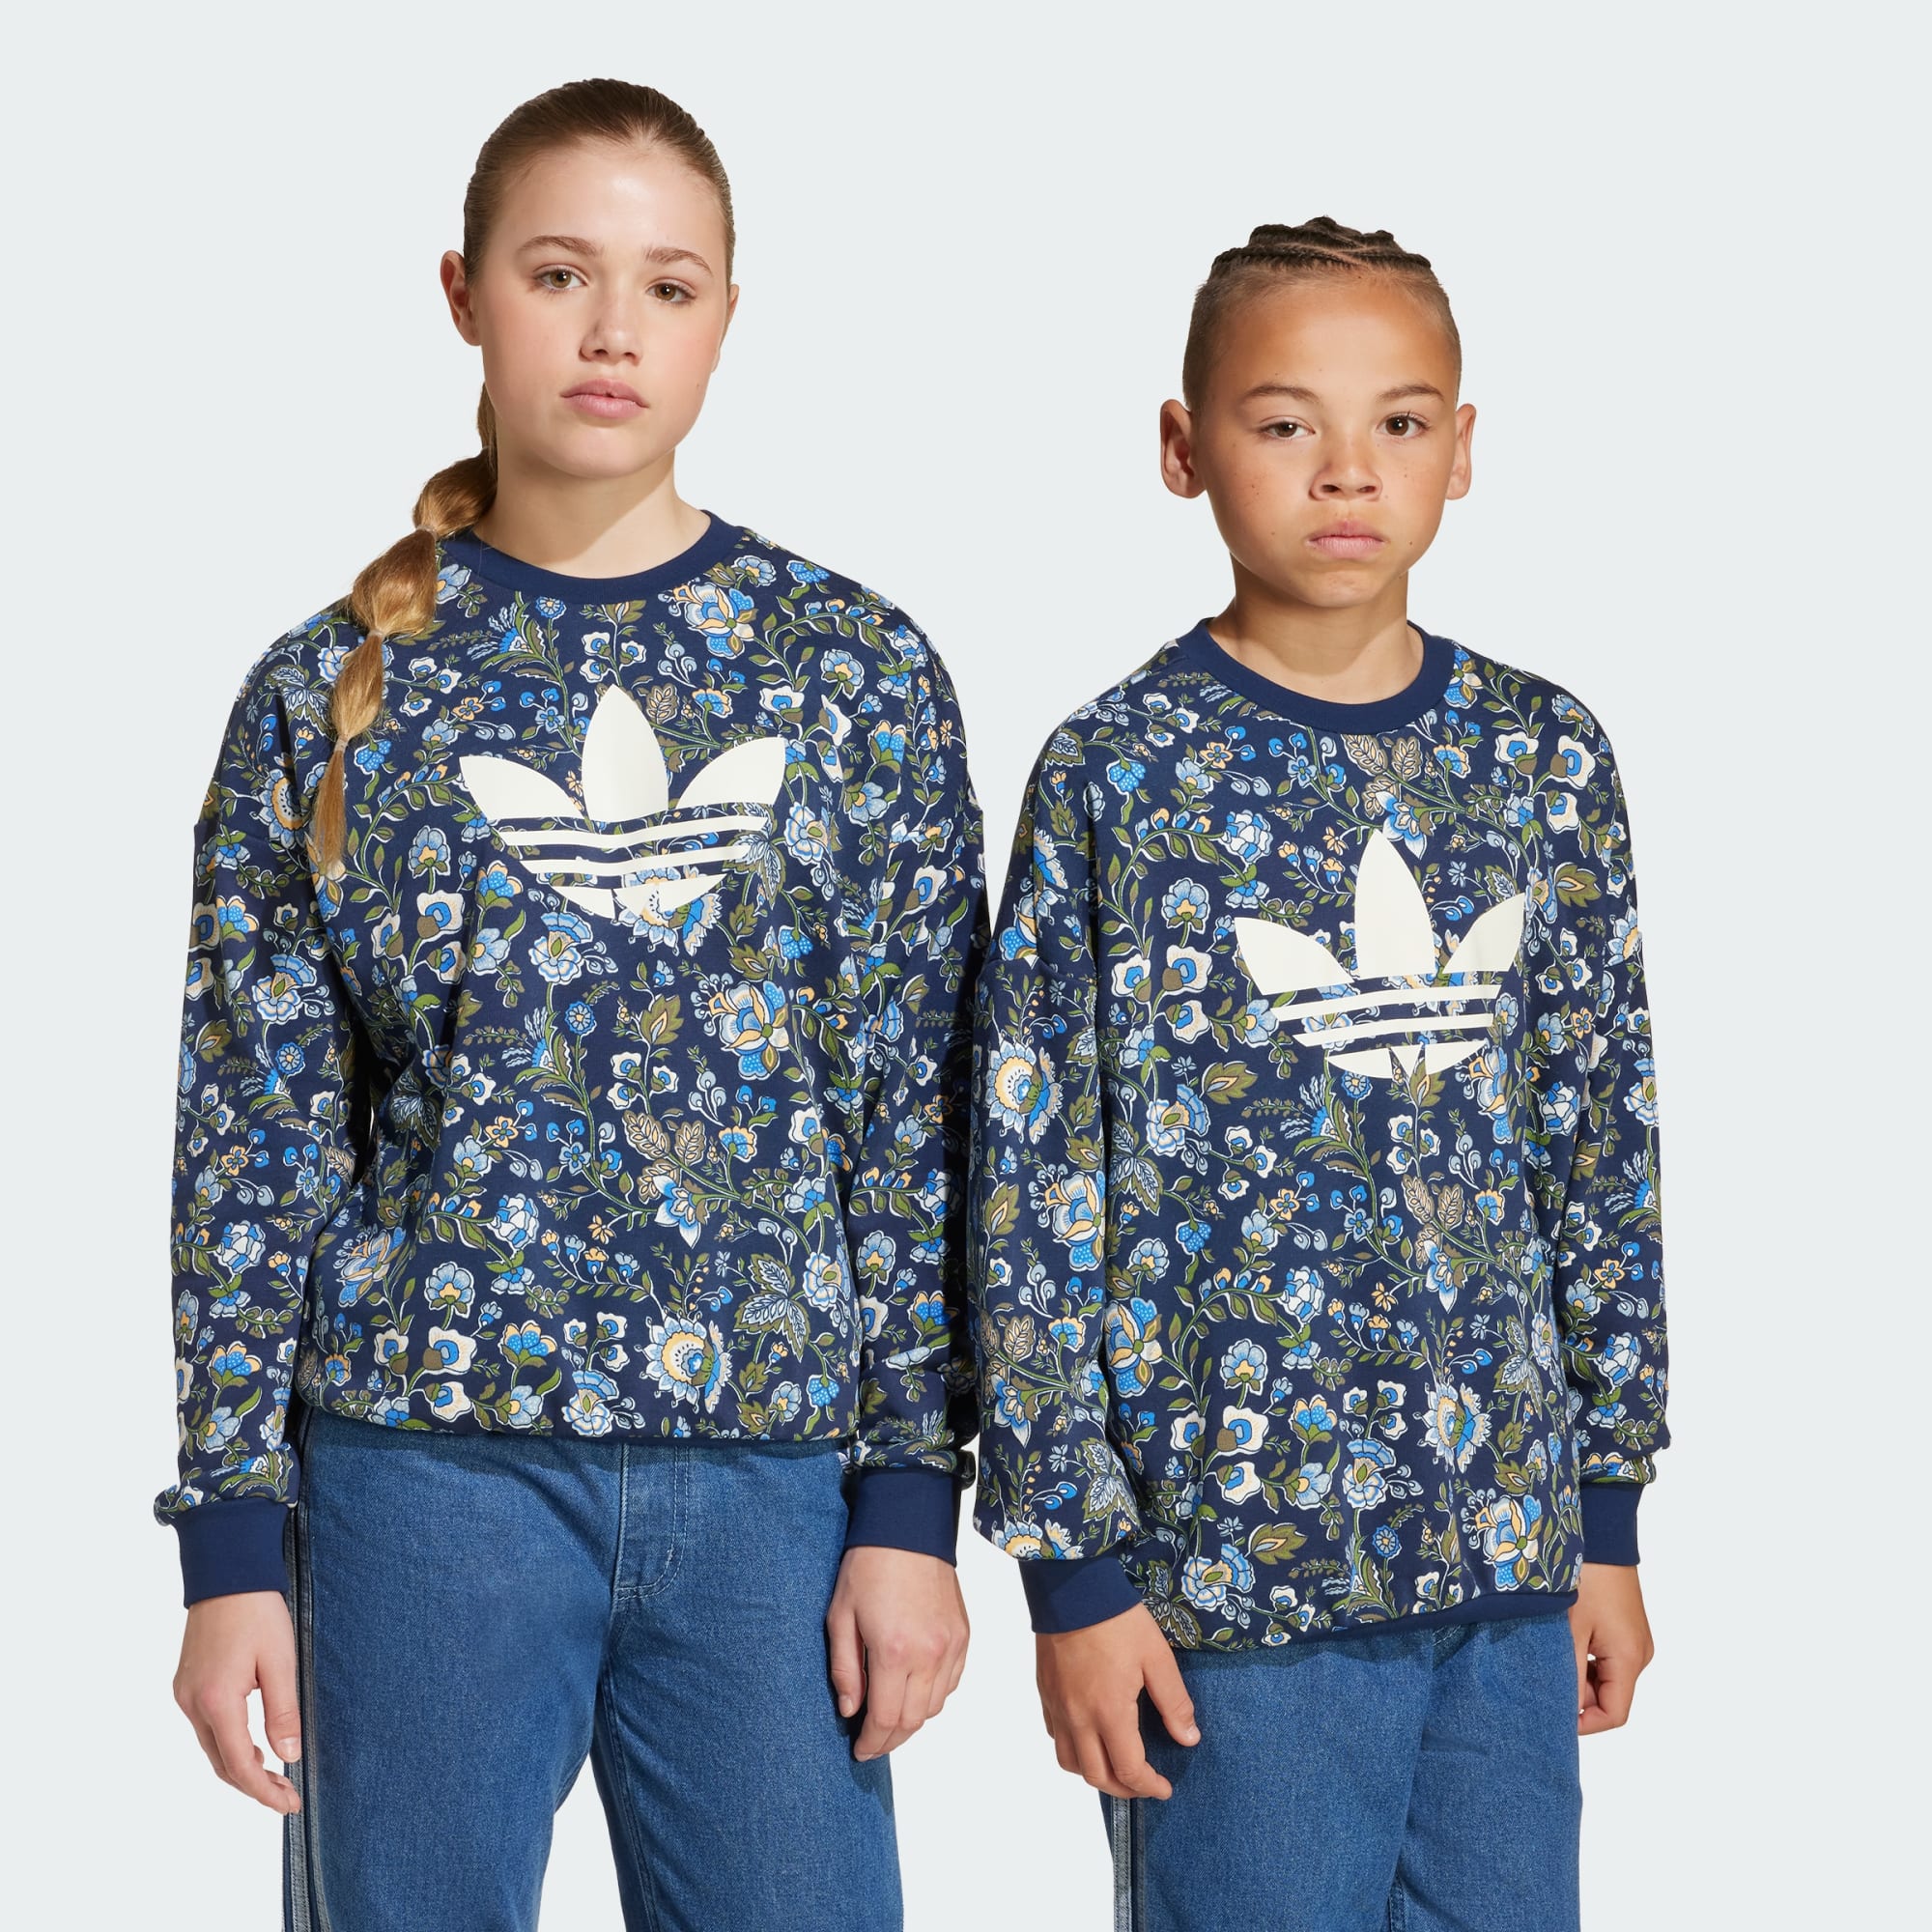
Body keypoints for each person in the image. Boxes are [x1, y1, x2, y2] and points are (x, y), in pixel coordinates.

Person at [156, 77, 986, 1932]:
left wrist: (908, 1509)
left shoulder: (855, 672)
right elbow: (253, 1141)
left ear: (726, 318)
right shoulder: (326, 692)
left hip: (774, 1486)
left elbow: (921, 1125)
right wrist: (229, 1544)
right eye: (560, 275)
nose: (615, 330)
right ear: (465, 294)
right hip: (424, 1480)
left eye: (668, 287)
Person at [968, 217, 1669, 1931]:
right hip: (1228, 1587)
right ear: (1183, 446)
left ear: (1463, 447)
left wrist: (1608, 1519)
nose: (1347, 470)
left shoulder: (1544, 757)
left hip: (1504, 1569)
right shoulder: (1120, 774)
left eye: (1400, 422)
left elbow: (1599, 1145)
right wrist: (1075, 1571)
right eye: (1286, 423)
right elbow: (1031, 1186)